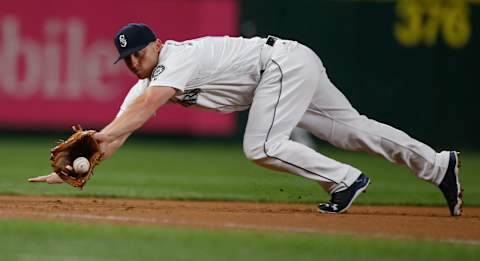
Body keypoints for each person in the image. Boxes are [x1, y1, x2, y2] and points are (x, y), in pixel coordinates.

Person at [29, 23, 463, 216]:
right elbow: (123, 126)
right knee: (352, 130)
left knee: (262, 146)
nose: (133, 62)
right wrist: (78, 164)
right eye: (126, 58)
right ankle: (438, 165)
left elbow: (143, 111)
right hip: (286, 68)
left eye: (138, 52)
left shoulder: (177, 59)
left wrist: (100, 136)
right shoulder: (144, 82)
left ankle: (344, 179)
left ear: (157, 44)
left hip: (280, 67)